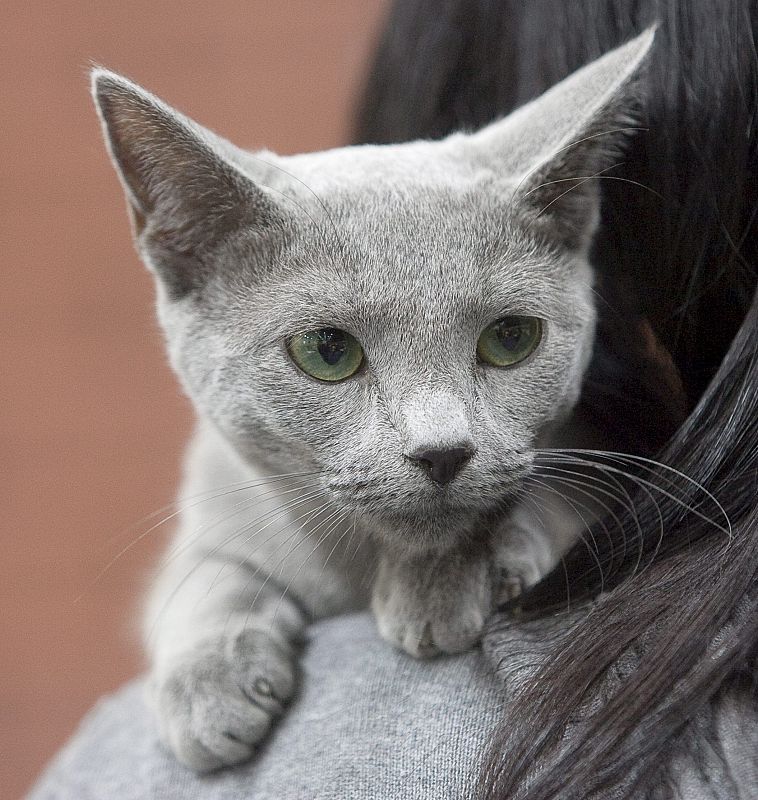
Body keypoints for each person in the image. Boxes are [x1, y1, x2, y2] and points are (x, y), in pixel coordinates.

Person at [29, 2, 758, 798]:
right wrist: (214, 628)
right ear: (188, 254)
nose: (440, 434)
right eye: (329, 350)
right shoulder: (226, 488)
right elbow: (211, 560)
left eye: (506, 340)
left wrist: (504, 531)